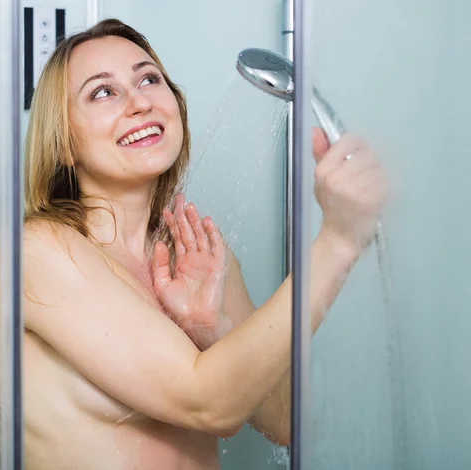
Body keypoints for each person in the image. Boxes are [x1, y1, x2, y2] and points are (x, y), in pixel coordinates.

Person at [21, 18, 389, 470]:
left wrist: (213, 331)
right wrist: (337, 243)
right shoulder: (39, 251)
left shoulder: (194, 256)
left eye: (149, 79)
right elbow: (209, 402)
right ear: (63, 143)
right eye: (103, 91)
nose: (139, 101)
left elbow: (283, 420)